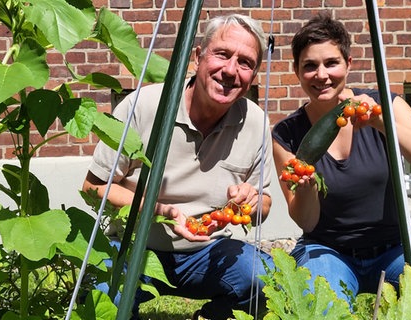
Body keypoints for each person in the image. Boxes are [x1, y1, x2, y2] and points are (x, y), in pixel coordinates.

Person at [271, 11, 411, 318]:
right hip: (328, 249)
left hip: (397, 245)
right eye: (310, 66)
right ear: (296, 71)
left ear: (348, 63)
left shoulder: (384, 105)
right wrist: (306, 189)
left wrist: (380, 121)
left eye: (331, 62)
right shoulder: (287, 134)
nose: (321, 74)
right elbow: (306, 222)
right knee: (318, 311)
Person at [83, 14, 275, 320]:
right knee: (102, 303)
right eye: (222, 54)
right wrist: (159, 211)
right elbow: (93, 188)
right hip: (134, 249)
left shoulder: (255, 122)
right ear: (197, 57)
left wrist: (252, 201)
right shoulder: (144, 106)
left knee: (264, 278)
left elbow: (263, 204)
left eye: (245, 62)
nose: (230, 70)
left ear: (253, 74)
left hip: (206, 255)